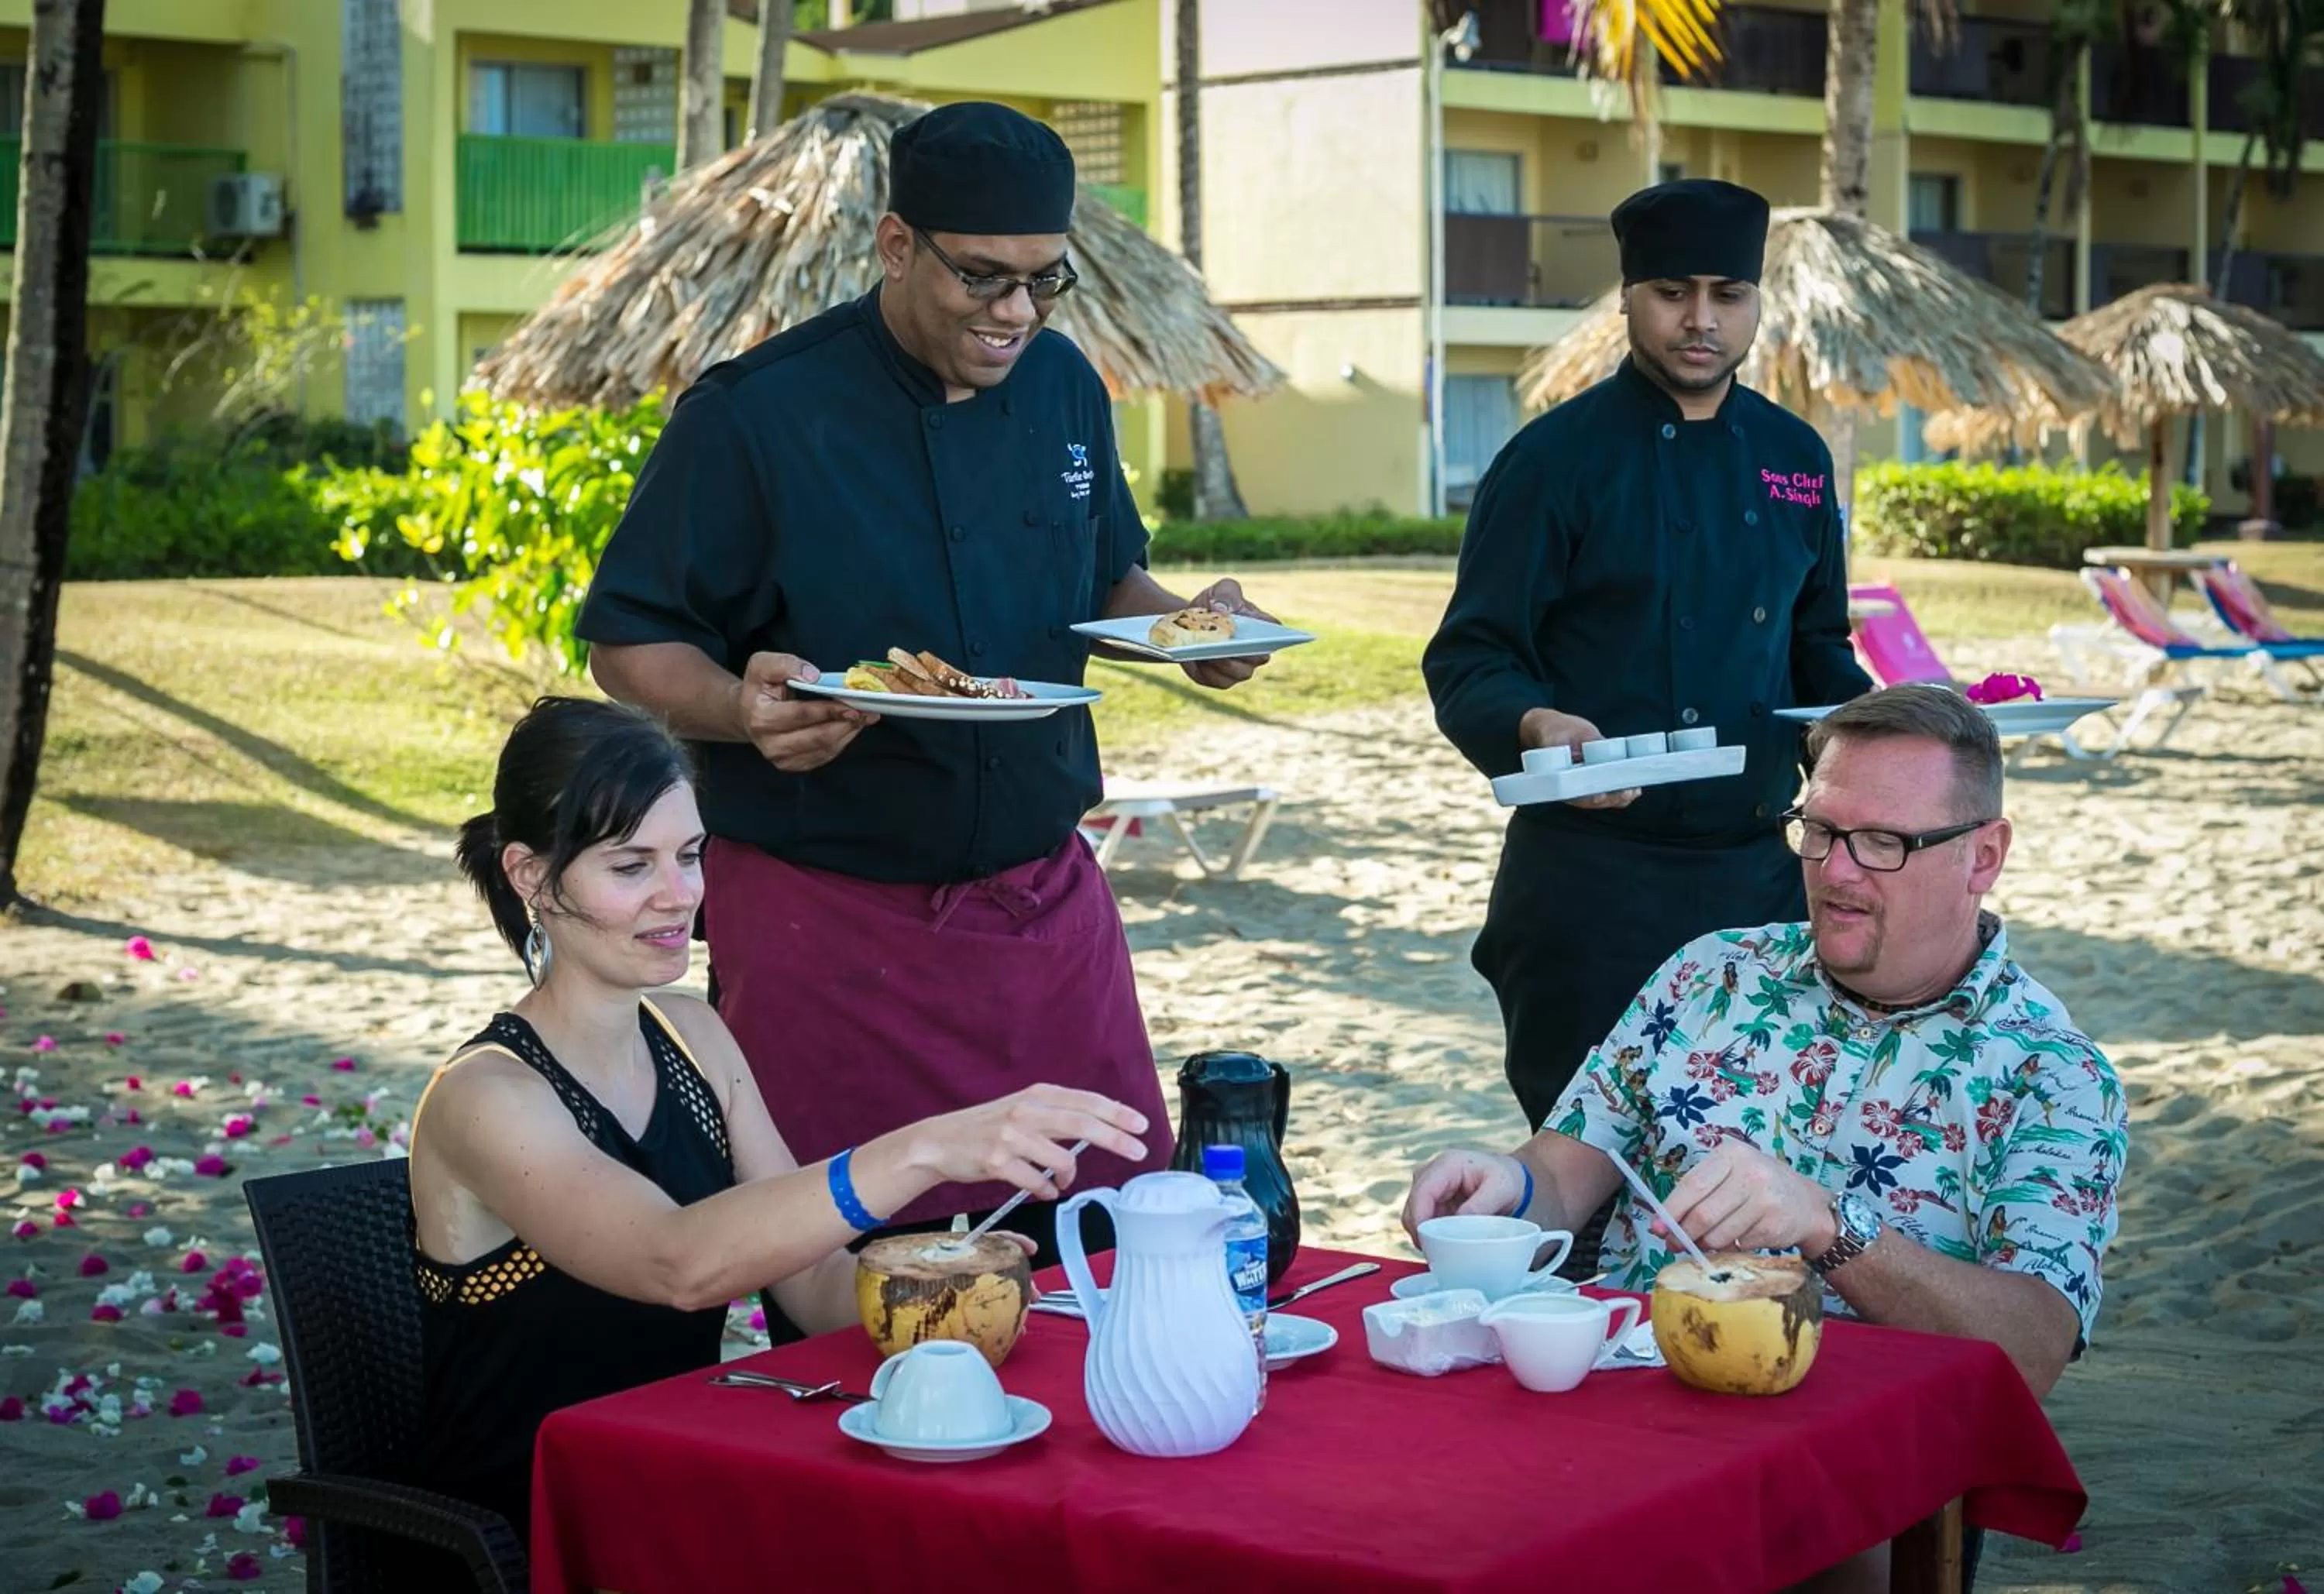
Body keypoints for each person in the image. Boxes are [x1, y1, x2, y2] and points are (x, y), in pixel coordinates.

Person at [573, 101, 1276, 1312]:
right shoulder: (757, 412)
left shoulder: (1062, 387)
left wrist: (1190, 629)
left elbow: (1109, 574)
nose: (1015, 314)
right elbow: (628, 638)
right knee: (862, 1294)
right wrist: (744, 709)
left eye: (1043, 282)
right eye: (982, 279)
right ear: (896, 246)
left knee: (1103, 1240)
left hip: (1046, 908)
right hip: (826, 923)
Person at [1402, 685, 2127, 1593]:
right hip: (1613, 1434)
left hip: (1844, 1491)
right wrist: (1499, 1189)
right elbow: (1562, 1174)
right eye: (1818, 830)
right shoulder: (1711, 976)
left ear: (1985, 855)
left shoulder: (2050, 1074)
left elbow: (2032, 1352)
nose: (1836, 871)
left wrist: (1831, 1227)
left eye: (1884, 842)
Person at [407, 697, 1150, 1537]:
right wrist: (926, 1150)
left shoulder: (691, 1034)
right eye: (630, 867)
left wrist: (936, 1275)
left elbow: (817, 1284)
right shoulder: (488, 1095)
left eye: (690, 855)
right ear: (531, 876)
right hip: (534, 1519)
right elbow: (676, 1263)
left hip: (670, 1470)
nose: (678, 895)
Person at [1422, 177, 1874, 1139]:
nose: (1701, 320)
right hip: (1591, 888)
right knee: (1591, 1180)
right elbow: (1472, 655)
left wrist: (1880, 733)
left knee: (1757, 1160)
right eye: (1673, 292)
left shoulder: (1794, 458)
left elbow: (1818, 650)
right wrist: (1535, 726)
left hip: (1756, 877)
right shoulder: (1554, 461)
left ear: (1757, 302)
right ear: (1627, 297)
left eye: (1728, 294)